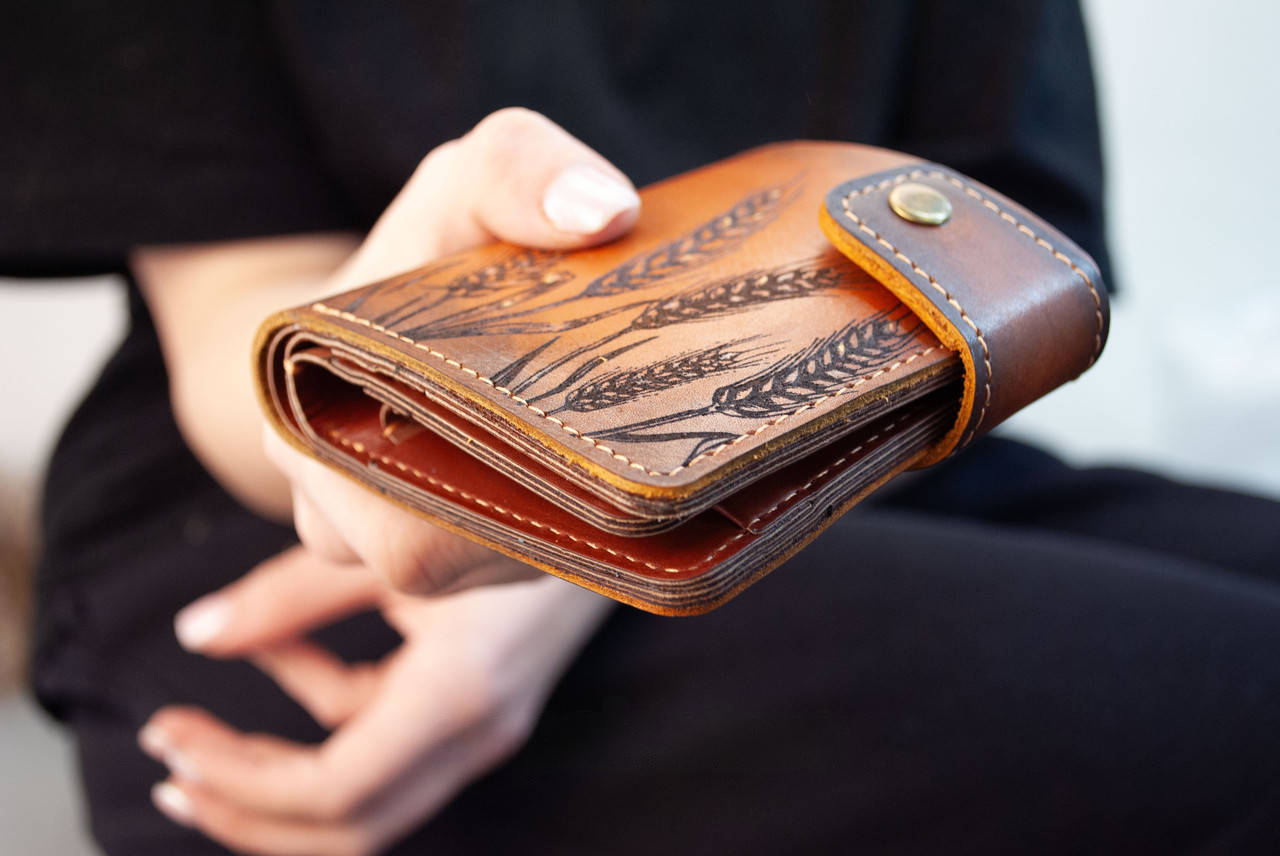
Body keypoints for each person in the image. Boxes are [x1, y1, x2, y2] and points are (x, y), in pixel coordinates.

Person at [5, 2, 1280, 854]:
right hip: (289, 543)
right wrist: (522, 473)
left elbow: (995, 247)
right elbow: (239, 317)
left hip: (854, 461)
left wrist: (604, 527)